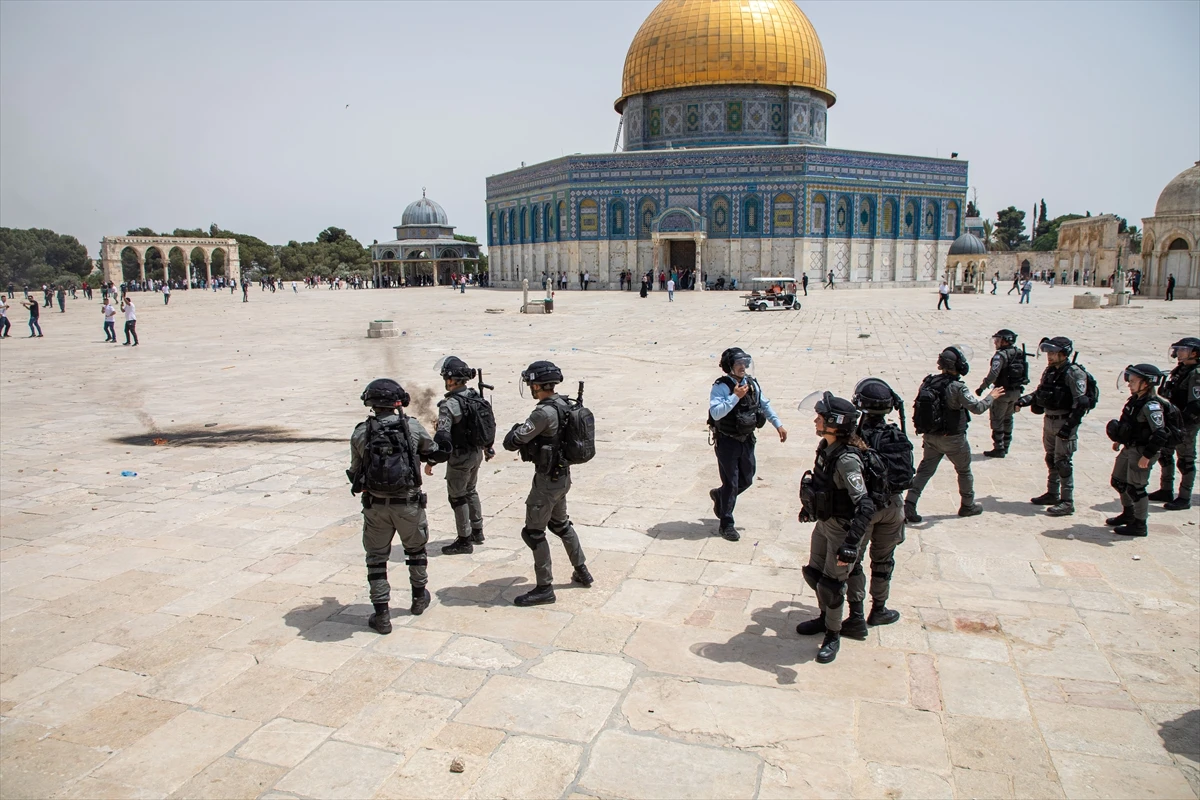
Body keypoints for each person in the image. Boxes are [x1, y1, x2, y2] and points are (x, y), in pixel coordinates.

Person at [348, 378, 447, 632]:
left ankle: (381, 614)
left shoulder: (361, 432)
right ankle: (417, 599)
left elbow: (355, 473)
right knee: (415, 551)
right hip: (409, 504)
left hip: (375, 506)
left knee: (376, 559)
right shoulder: (411, 428)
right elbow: (434, 450)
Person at [795, 391, 878, 664]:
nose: (816, 420)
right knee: (815, 573)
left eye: (821, 417)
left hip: (842, 529)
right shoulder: (826, 449)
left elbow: (864, 505)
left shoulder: (846, 460)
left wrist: (851, 544)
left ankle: (833, 634)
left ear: (835, 423)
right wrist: (809, 509)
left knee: (832, 586)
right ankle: (824, 618)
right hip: (824, 524)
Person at [502, 361, 593, 606]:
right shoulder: (565, 403)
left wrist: (513, 433)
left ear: (538, 385)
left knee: (533, 533)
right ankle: (582, 570)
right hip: (562, 477)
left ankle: (544, 588)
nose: (531, 387)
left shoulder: (542, 413)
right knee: (561, 525)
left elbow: (514, 441)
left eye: (532, 383)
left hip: (546, 482)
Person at [904, 346, 1003, 522]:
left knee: (925, 471)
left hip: (931, 438)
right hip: (954, 439)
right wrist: (992, 396)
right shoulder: (958, 387)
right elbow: (978, 408)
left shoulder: (928, 382)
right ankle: (967, 505)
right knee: (964, 471)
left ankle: (909, 505)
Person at [847, 378, 912, 631]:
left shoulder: (855, 437)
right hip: (894, 506)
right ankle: (880, 609)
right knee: (884, 561)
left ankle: (855, 614)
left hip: (865, 508)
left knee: (854, 562)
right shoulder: (895, 435)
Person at [707, 348, 787, 541]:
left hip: (747, 439)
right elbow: (716, 413)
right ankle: (726, 523)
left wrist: (778, 424)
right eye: (738, 364)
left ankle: (720, 495)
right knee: (731, 483)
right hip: (727, 441)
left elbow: (764, 405)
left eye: (745, 363)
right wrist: (735, 397)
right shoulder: (721, 386)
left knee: (747, 479)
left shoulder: (751, 384)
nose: (743, 367)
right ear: (729, 366)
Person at [1017, 337, 1092, 516]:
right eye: (1048, 353)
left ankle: (1067, 501)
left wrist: (1069, 427)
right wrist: (1024, 400)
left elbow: (1080, 403)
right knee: (1051, 458)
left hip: (1064, 421)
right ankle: (1052, 493)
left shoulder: (1074, 373)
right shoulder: (1050, 371)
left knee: (1063, 462)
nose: (1049, 357)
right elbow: (1041, 392)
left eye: (1053, 353)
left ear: (1064, 354)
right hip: (1049, 420)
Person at [430, 357, 493, 555]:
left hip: (459, 457)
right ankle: (477, 531)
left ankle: (464, 540)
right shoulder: (475, 397)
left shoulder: (448, 405)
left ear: (450, 380)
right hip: (476, 453)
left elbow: (443, 438)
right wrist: (487, 448)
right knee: (471, 490)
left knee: (457, 497)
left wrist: (432, 459)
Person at [1105, 364, 1170, 537]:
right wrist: (1119, 440)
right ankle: (1128, 513)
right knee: (1119, 481)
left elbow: (1160, 434)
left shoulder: (1152, 406)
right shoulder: (1135, 401)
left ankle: (1140, 525)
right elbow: (1128, 423)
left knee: (1136, 488)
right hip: (1129, 447)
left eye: (1133, 381)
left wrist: (1147, 456)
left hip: (1142, 451)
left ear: (1147, 383)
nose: (1129, 383)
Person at [1151, 337, 1200, 510]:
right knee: (1165, 455)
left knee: (1185, 460)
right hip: (1171, 420)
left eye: (1183, 350)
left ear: (1194, 353)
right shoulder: (1181, 369)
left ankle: (1184, 497)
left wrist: (1180, 423)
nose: (1178, 353)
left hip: (1186, 423)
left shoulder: (1196, 373)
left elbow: (1195, 405)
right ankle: (1166, 489)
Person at [979, 329, 1028, 458]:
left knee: (997, 419)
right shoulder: (1019, 353)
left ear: (1005, 341)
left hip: (1001, 392)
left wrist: (982, 387)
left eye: (998, 340)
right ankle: (1006, 446)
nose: (995, 342)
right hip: (1016, 392)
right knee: (1008, 419)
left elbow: (993, 374)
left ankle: (999, 448)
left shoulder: (1000, 356)